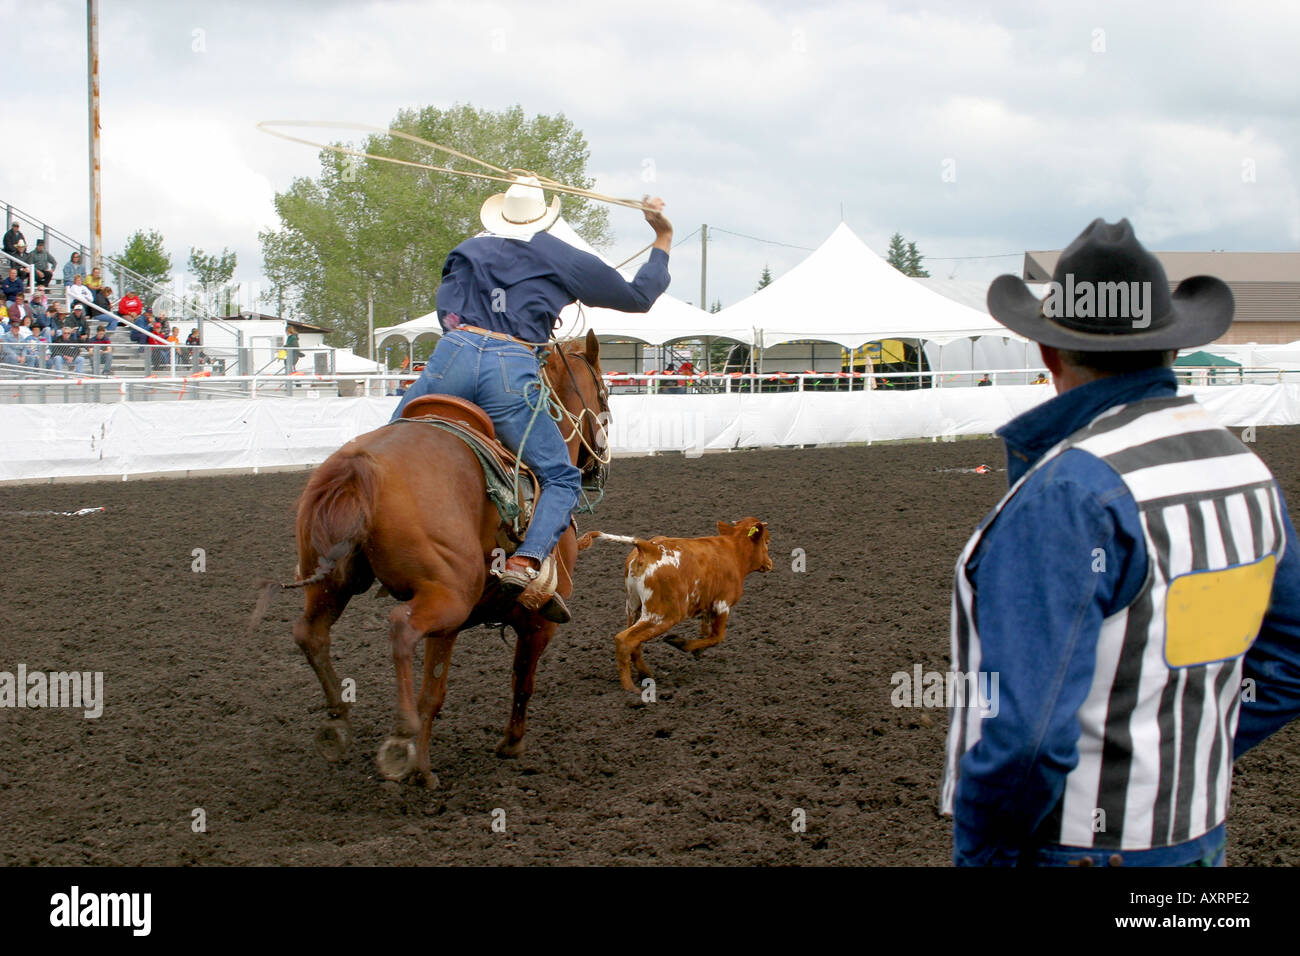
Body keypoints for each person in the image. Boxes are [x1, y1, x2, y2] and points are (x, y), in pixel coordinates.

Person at [941, 218, 1300, 867]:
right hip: (1196, 835)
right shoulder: (1249, 474)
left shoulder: (1070, 493)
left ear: (1049, 354)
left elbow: (1028, 737)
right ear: (1172, 348)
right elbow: (1287, 663)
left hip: (1076, 848)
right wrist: (1181, 751)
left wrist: (986, 853)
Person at [390, 175, 673, 622]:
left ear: (500, 214)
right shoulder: (559, 255)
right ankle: (527, 563)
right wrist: (662, 236)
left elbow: (449, 313)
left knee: (388, 447)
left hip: (452, 355)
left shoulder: (467, 250)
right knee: (561, 478)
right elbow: (639, 297)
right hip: (510, 366)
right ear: (543, 216)